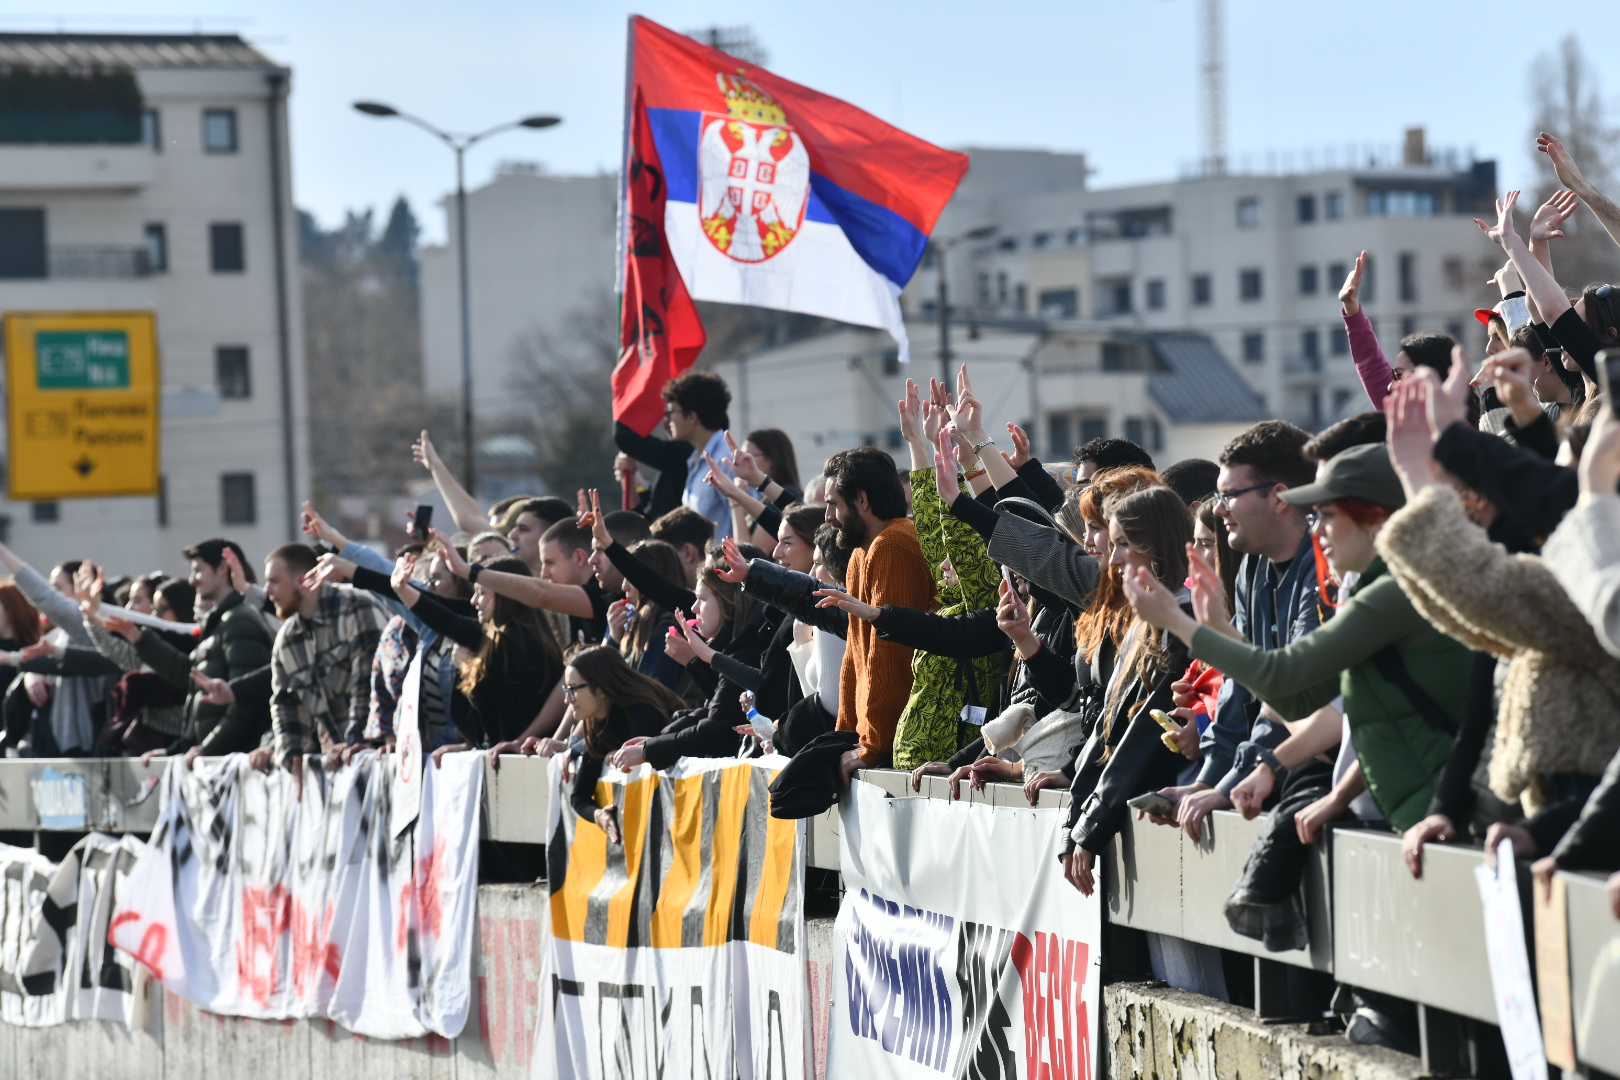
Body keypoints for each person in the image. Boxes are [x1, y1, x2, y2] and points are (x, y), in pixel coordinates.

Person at [1163, 421, 1326, 841]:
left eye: (1230, 496)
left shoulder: (1324, 568)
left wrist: (1227, 784)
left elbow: (1288, 686)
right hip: (1269, 768)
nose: (1218, 510)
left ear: (1278, 498)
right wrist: (1209, 780)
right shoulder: (1252, 564)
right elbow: (1238, 692)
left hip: (1321, 766)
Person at [391, 552, 563, 755]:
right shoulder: (513, 637)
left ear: (505, 595)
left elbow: (444, 619)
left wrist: (468, 669)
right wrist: (469, 745)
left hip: (526, 763)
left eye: (481, 593)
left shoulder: (514, 640)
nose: (473, 601)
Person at [247, 543, 389, 787]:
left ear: (302, 580)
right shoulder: (287, 639)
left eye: (274, 581)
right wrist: (290, 758)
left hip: (382, 761)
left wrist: (356, 742)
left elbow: (371, 684)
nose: (267, 591)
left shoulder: (357, 607)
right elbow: (285, 705)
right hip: (337, 768)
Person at [134, 538, 275, 764]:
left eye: (199, 571)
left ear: (221, 568)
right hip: (217, 765)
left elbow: (244, 703)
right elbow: (190, 677)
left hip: (231, 767)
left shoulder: (240, 621)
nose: (192, 581)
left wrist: (209, 751)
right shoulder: (219, 622)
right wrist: (178, 751)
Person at [562, 645, 685, 843]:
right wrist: (599, 816)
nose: (567, 700)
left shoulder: (643, 708)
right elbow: (578, 796)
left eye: (573, 690)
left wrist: (623, 753)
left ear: (600, 689)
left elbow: (649, 762)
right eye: (565, 689)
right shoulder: (597, 722)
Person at [617, 371, 737, 539]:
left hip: (726, 565)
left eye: (671, 412)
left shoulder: (726, 460)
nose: (668, 420)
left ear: (692, 417)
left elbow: (747, 522)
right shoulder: (696, 462)